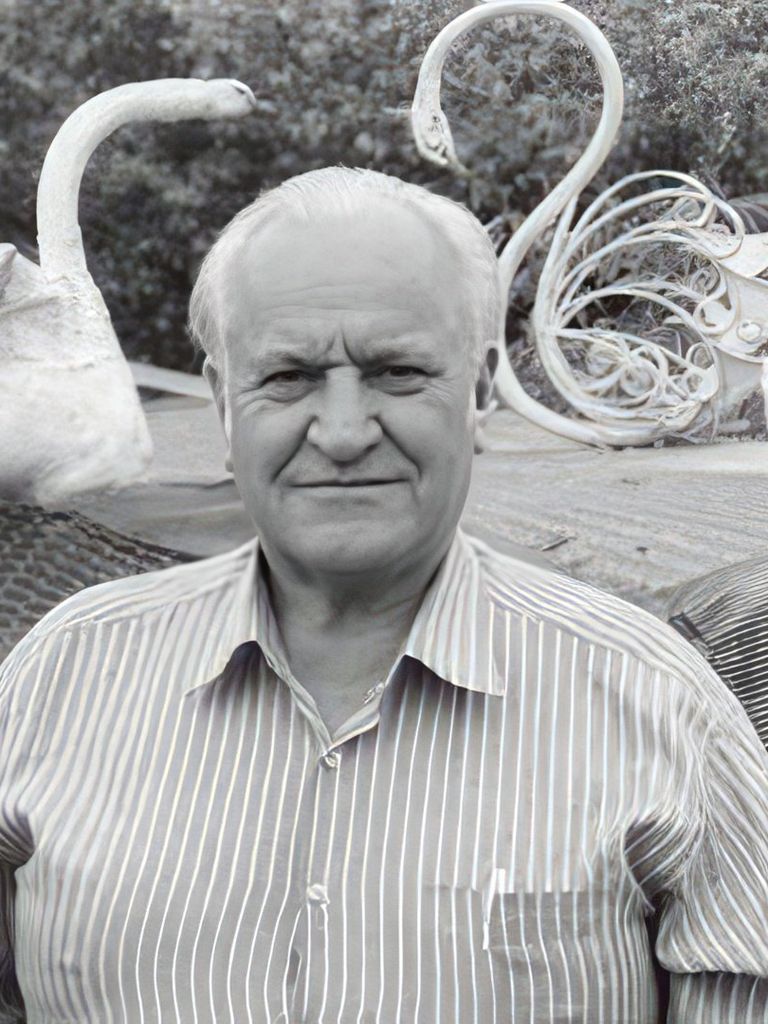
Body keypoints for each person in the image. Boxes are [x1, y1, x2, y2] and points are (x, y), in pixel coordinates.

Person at [1, 167, 767, 1024]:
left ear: (479, 390)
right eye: (288, 376)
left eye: (397, 372)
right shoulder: (56, 678)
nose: (341, 432)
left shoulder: (659, 705)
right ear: (222, 401)